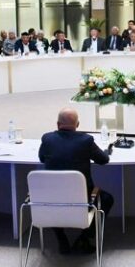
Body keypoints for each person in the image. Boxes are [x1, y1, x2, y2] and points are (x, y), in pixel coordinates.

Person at [39, 108, 114, 254]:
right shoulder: (86, 140)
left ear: (57, 124)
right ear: (77, 124)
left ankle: (61, 238)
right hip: (83, 200)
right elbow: (103, 160)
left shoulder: (47, 139)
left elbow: (42, 158)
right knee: (107, 199)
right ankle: (84, 237)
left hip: (52, 200)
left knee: (55, 200)